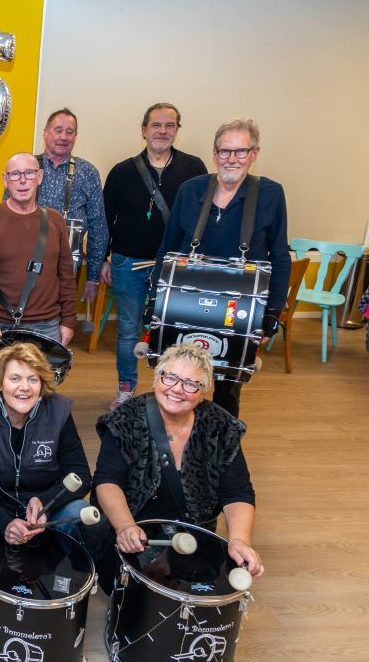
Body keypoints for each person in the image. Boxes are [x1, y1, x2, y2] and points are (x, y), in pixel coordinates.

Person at [88, 343, 264, 595]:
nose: (177, 389)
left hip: (191, 536)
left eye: (190, 384)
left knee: (200, 592)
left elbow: (238, 493)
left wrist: (239, 539)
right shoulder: (126, 419)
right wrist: (125, 526)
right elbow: (106, 480)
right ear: (157, 377)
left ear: (203, 391)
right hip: (136, 533)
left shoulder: (220, 426)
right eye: (170, 377)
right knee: (133, 593)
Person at [154, 118, 291, 418]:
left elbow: (280, 257)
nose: (232, 159)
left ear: (254, 154)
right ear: (215, 154)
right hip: (185, 303)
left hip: (239, 309)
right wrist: (155, 300)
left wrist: (270, 315)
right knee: (179, 380)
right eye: (225, 151)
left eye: (240, 151)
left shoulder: (270, 194)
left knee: (227, 389)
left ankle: (218, 450)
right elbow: (168, 249)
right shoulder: (191, 190)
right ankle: (176, 446)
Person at [0, 341, 92, 579]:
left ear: (42, 384)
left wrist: (45, 502)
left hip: (44, 509)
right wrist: (5, 523)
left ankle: (59, 576)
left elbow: (82, 476)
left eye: (33, 379)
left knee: (81, 513)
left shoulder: (59, 412)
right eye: (15, 378)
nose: (24, 388)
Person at [102, 104, 208, 409]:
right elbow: (107, 219)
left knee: (174, 333)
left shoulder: (194, 169)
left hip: (175, 268)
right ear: (144, 130)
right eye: (156, 125)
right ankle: (126, 389)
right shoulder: (122, 171)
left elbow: (202, 217)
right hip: (128, 263)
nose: (163, 131)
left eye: (170, 125)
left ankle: (171, 391)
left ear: (176, 130)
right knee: (128, 331)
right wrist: (104, 259)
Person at [0, 153, 76, 355]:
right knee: (3, 386)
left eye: (29, 173)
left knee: (43, 386)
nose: (22, 180)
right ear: (5, 180)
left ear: (39, 177)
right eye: (15, 174)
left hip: (48, 325)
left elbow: (66, 275)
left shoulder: (56, 221)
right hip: (2, 325)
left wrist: (69, 320)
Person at [35, 108, 108, 302]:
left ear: (76, 137)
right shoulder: (26, 167)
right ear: (45, 133)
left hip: (67, 268)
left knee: (60, 325)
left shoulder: (88, 172)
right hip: (23, 264)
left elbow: (98, 227)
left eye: (70, 132)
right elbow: (5, 220)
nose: (63, 137)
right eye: (58, 130)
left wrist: (92, 278)